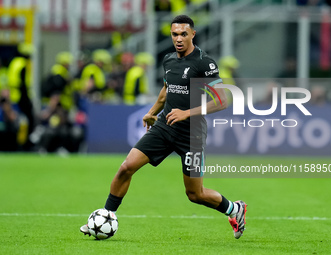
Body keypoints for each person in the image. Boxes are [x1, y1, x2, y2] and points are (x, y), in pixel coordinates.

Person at [80, 15, 247, 239]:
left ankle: (234, 209)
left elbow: (221, 101)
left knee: (195, 194)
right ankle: (105, 215)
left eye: (183, 34)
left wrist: (186, 113)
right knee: (126, 168)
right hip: (165, 126)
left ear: (193, 34)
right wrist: (152, 112)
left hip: (192, 134)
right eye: (174, 34)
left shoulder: (203, 63)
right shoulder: (169, 60)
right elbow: (167, 90)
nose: (178, 38)